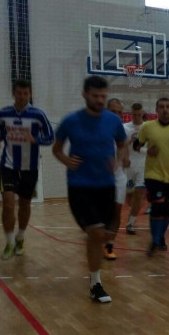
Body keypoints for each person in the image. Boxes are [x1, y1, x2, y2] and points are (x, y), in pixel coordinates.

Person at [52, 75, 128, 303]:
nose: (100, 100)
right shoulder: (70, 121)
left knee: (104, 236)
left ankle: (95, 279)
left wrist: (118, 159)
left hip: (106, 185)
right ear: (85, 94)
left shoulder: (113, 121)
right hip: (80, 186)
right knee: (96, 233)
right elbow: (57, 149)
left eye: (103, 96)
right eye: (95, 96)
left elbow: (122, 143)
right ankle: (96, 284)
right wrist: (66, 160)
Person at [0, 79, 54, 259]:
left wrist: (36, 140)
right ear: (13, 93)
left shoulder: (38, 115)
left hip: (30, 167)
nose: (22, 96)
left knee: (25, 204)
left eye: (25, 93)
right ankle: (9, 241)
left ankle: (20, 236)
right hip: (8, 165)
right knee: (8, 203)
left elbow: (50, 137)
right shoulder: (2, 114)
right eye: (19, 93)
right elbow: (0, 133)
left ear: (30, 94)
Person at [134, 98, 169, 256]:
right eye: (161, 107)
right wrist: (147, 151)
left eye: (168, 107)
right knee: (157, 206)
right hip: (153, 174)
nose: (165, 110)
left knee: (167, 209)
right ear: (156, 110)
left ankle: (161, 236)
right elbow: (136, 145)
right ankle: (155, 240)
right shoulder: (147, 127)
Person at [103, 98, 129, 260]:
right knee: (101, 212)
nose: (117, 115)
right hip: (100, 176)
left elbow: (125, 148)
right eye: (114, 111)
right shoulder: (98, 128)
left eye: (120, 112)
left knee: (117, 210)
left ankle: (109, 245)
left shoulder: (124, 130)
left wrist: (124, 159)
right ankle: (96, 238)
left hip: (119, 175)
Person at [123, 103, 147, 234]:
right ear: (131, 114)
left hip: (143, 165)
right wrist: (125, 157)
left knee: (138, 194)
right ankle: (135, 209)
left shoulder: (148, 127)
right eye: (134, 114)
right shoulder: (125, 127)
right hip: (129, 165)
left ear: (143, 113)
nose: (137, 117)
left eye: (139, 114)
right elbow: (121, 145)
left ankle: (130, 223)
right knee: (129, 196)